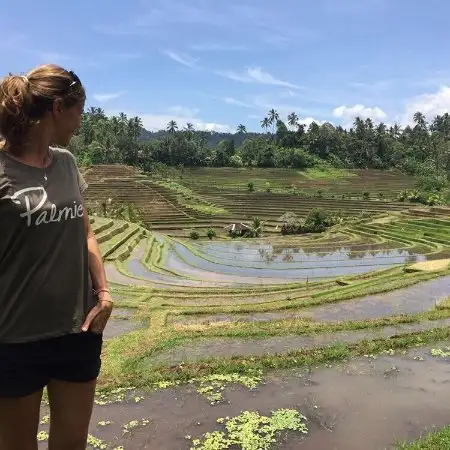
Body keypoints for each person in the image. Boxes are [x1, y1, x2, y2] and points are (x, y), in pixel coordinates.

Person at [0, 64, 113, 449]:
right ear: (58, 108)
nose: (80, 123)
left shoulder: (66, 163)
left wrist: (104, 293)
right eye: (79, 112)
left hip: (77, 330)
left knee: (71, 444)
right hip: (14, 337)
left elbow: (85, 231)